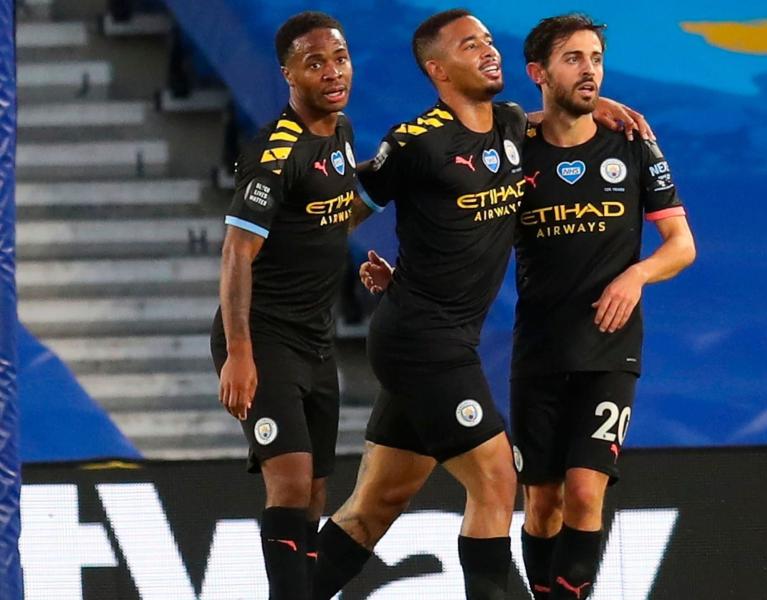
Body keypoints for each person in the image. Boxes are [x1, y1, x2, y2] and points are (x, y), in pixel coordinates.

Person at [314, 9, 651, 600]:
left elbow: (554, 114)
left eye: (490, 41)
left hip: (433, 338)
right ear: (438, 69)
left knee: (376, 505)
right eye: (472, 46)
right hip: (425, 341)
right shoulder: (415, 142)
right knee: (497, 485)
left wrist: (597, 105)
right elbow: (339, 214)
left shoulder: (513, 124)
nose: (489, 52)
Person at [511, 14, 696, 599]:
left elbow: (682, 244)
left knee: (586, 493)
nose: (589, 69)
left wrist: (635, 277)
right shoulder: (512, 150)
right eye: (573, 58)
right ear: (538, 72)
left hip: (609, 351)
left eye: (595, 58)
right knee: (541, 503)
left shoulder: (634, 143)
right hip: (538, 349)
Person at [209, 12, 364, 600]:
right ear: (288, 74)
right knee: (292, 482)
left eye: (340, 58)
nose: (332, 72)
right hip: (261, 338)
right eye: (314, 62)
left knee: (317, 494)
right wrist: (240, 352)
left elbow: (329, 216)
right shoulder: (277, 152)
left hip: (315, 341)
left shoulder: (342, 134)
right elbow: (235, 254)